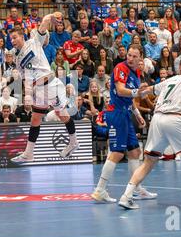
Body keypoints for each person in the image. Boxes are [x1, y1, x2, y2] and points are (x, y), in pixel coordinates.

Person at [119, 56, 181, 209]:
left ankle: (126, 196)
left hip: (157, 119)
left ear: (180, 68)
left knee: (148, 162)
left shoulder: (169, 80)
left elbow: (146, 91)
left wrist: (139, 89)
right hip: (174, 118)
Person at [9, 12, 80, 163]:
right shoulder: (18, 59)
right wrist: (27, 94)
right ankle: (29, 153)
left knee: (62, 115)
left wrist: (52, 16)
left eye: (14, 37)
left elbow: (44, 23)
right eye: (11, 39)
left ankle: (74, 142)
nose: (12, 41)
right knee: (35, 119)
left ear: (22, 36)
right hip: (38, 90)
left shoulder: (34, 42)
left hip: (50, 85)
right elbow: (26, 78)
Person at [91, 45, 157, 203]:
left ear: (141, 58)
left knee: (134, 152)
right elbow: (121, 91)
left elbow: (130, 97)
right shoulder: (121, 68)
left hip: (126, 114)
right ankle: (100, 190)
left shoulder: (137, 72)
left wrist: (138, 113)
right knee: (118, 153)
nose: (130, 58)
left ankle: (136, 188)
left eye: (135, 56)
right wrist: (138, 92)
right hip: (117, 114)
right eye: (129, 55)